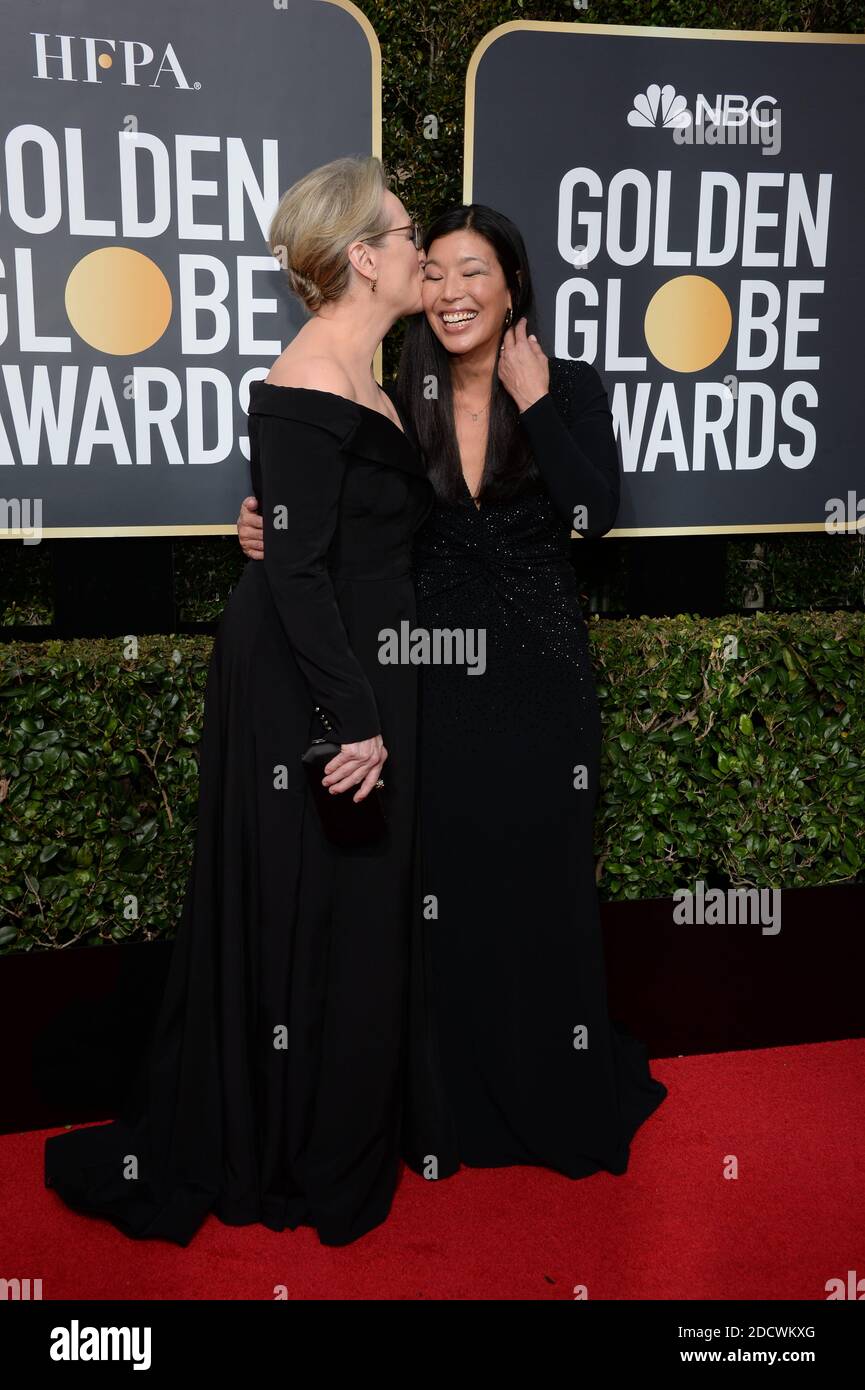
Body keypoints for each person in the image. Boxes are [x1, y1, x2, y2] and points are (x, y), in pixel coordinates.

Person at [44, 155, 436, 1247]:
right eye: (403, 233)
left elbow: (316, 535)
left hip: (356, 663)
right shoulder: (309, 376)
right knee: (316, 904)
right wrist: (353, 718)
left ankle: (329, 1128)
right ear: (362, 257)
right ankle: (294, 1145)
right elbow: (302, 576)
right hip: (316, 680)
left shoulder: (364, 373)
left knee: (349, 908)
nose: (419, 248)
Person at [238, 203, 668, 1184]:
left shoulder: (568, 387)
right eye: (430, 271)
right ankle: (449, 1105)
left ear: (511, 285)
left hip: (540, 683)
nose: (449, 291)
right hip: (432, 681)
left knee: (541, 889)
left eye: (472, 271)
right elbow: (329, 515)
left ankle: (547, 1091)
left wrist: (541, 398)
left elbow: (594, 514)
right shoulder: (397, 399)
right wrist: (263, 523)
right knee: (445, 898)